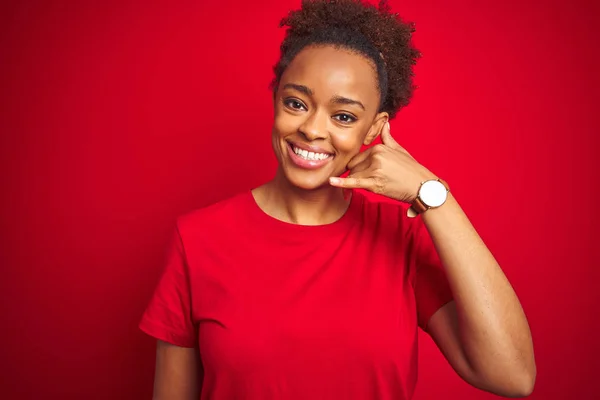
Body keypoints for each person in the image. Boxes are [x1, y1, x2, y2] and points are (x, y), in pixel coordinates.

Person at [139, 0, 536, 399]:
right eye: (296, 103)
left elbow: (512, 376)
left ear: (373, 130)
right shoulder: (199, 238)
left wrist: (432, 193)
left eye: (343, 116)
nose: (312, 129)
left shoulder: (401, 236)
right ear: (276, 99)